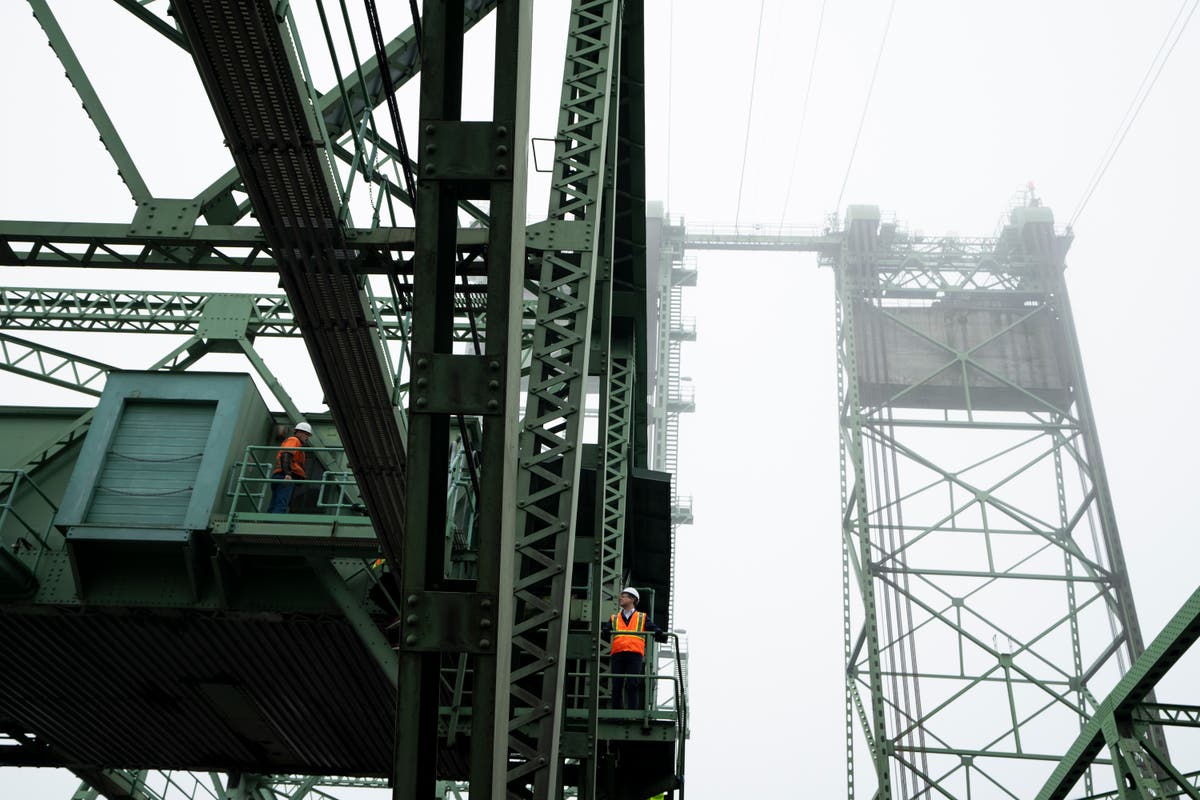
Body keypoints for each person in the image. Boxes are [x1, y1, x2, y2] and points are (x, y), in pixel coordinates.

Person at [603, 586, 668, 710]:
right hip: (618, 653)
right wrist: (605, 630)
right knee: (617, 685)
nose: (620, 598)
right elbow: (607, 628)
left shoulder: (642, 617)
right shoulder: (614, 618)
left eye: (624, 596)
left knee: (633, 683)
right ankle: (618, 712)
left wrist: (659, 633)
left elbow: (652, 627)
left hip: (634, 654)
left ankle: (632, 712)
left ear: (632, 599)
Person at [268, 421, 312, 513]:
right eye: (306, 434)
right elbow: (286, 454)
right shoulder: (294, 440)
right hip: (284, 476)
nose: (307, 437)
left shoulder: (298, 445)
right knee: (281, 502)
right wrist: (287, 473)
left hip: (281, 475)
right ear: (299, 433)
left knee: (276, 501)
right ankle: (274, 522)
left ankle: (269, 520)